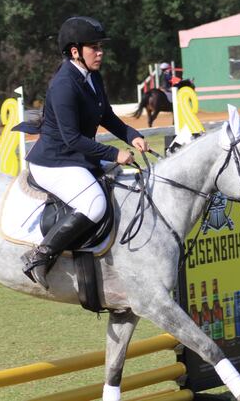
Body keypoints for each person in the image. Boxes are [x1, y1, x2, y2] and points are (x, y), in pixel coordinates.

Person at [17, 16, 149, 288]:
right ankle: (40, 257)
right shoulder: (64, 84)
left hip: (76, 156)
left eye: (101, 47)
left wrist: (132, 136)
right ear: (75, 51)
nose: (100, 52)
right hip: (55, 162)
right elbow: (73, 139)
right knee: (95, 203)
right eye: (94, 47)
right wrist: (115, 154)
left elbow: (107, 116)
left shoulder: (93, 77)